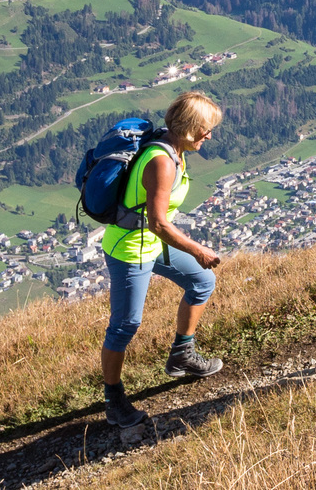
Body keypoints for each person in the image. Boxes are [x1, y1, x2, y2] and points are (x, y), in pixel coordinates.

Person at [99, 91, 225, 429]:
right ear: (188, 127)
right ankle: (113, 400)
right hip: (131, 249)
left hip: (150, 243)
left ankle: (182, 354)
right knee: (125, 325)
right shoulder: (162, 161)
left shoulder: (174, 152)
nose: (209, 135)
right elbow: (158, 222)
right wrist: (197, 250)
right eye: (205, 129)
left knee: (202, 281)